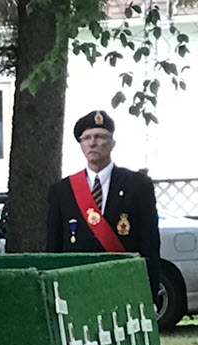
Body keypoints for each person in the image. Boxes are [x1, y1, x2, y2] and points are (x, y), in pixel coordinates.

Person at [45, 110, 161, 298]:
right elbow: (54, 248)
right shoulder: (62, 191)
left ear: (112, 143)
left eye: (99, 137)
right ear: (81, 145)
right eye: (86, 138)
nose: (92, 143)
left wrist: (151, 295)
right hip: (77, 287)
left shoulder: (138, 186)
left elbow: (150, 243)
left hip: (123, 285)